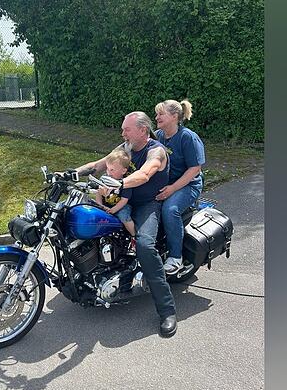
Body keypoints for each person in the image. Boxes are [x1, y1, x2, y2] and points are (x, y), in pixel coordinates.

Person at [75, 112, 177, 337]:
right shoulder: (125, 148)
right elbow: (98, 165)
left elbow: (145, 174)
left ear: (143, 130)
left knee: (145, 246)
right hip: (121, 201)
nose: (122, 133)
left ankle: (167, 310)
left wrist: (120, 183)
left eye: (126, 129)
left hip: (147, 204)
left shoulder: (156, 151)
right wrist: (70, 173)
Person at [154, 99, 206, 275]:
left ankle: (175, 257)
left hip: (188, 185)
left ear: (174, 116)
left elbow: (195, 169)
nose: (157, 117)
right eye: (157, 114)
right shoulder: (158, 136)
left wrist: (173, 188)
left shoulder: (187, 137)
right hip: (165, 184)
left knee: (170, 210)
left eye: (161, 114)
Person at [93, 148, 136, 249]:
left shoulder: (126, 183)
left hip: (121, 207)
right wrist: (100, 205)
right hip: (105, 205)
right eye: (107, 169)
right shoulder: (104, 179)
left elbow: (124, 200)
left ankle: (134, 236)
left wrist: (113, 210)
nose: (109, 172)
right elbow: (98, 193)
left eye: (112, 170)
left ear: (123, 170)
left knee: (123, 216)